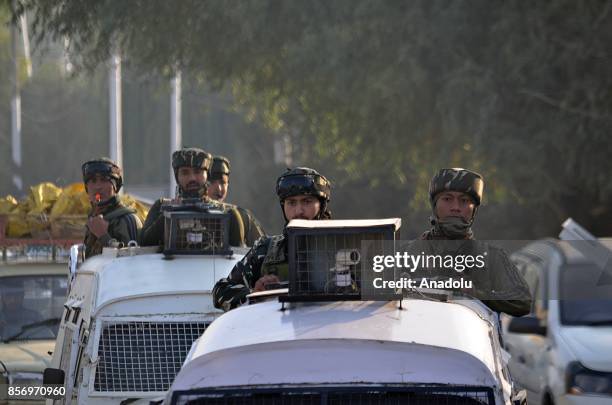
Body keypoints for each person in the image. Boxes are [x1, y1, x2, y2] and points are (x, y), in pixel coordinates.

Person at [410, 167, 531, 316]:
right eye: (447, 199)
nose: (455, 208)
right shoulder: (409, 253)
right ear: (435, 205)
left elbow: (522, 301)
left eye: (464, 201)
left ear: (474, 209)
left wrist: (475, 294)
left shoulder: (491, 257)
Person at [213, 167, 331, 311]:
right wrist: (254, 295)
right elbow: (221, 291)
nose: (299, 211)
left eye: (307, 201)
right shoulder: (266, 250)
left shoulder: (344, 248)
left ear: (321, 205)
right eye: (292, 203)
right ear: (283, 206)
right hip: (277, 331)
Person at [139, 147, 264, 247]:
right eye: (185, 173)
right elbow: (144, 244)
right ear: (177, 177)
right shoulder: (162, 207)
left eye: (198, 172)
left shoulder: (229, 214)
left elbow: (236, 259)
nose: (192, 178)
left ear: (207, 175)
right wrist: (170, 214)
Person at [82, 158, 142, 258]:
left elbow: (132, 262)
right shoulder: (94, 216)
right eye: (93, 181)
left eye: (104, 180)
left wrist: (103, 236)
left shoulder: (127, 220)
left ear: (115, 186)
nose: (98, 186)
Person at [207, 155, 265, 244]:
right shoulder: (188, 215)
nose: (218, 188)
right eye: (212, 182)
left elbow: (262, 248)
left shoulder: (242, 216)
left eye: (223, 182)